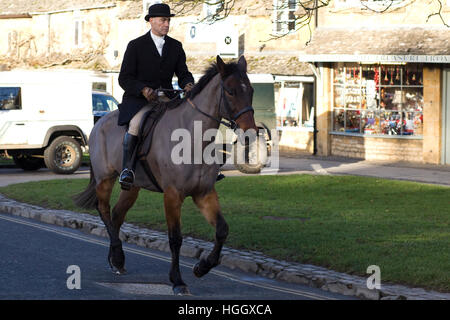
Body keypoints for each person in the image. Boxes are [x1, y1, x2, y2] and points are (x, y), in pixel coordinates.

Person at [117, 3, 194, 190]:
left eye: (168, 20)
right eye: (163, 20)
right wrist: (143, 89)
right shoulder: (135, 46)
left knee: (191, 120)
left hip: (167, 98)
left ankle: (202, 166)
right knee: (136, 124)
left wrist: (188, 83)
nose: (166, 24)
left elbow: (183, 72)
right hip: (140, 101)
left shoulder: (175, 46)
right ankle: (127, 170)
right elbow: (124, 78)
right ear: (151, 21)